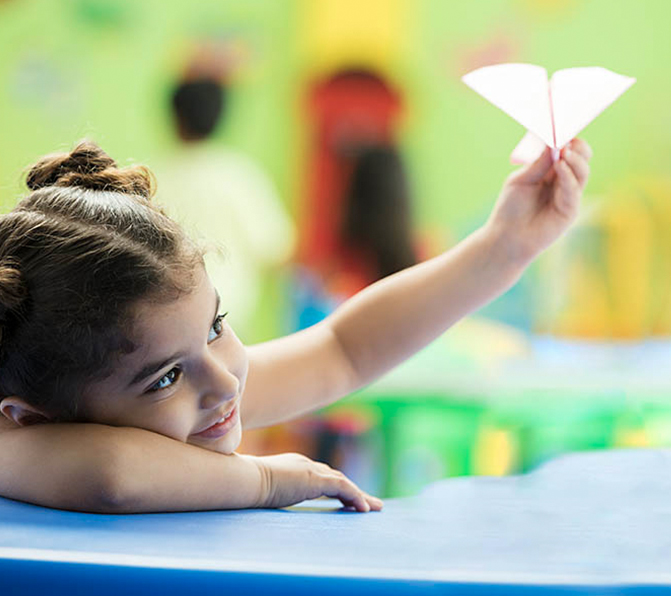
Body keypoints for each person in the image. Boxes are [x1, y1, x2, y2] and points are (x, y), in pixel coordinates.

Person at [0, 138, 591, 514]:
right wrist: (266, 481)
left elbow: (343, 349)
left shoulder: (185, 404)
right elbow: (114, 474)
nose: (225, 383)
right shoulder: (16, 441)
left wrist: (504, 247)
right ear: (32, 416)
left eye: (215, 327)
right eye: (165, 378)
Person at [158, 71, 295, 343]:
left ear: (175, 118)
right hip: (228, 321)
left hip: (166, 322)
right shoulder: (238, 176)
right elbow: (278, 249)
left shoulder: (153, 176)